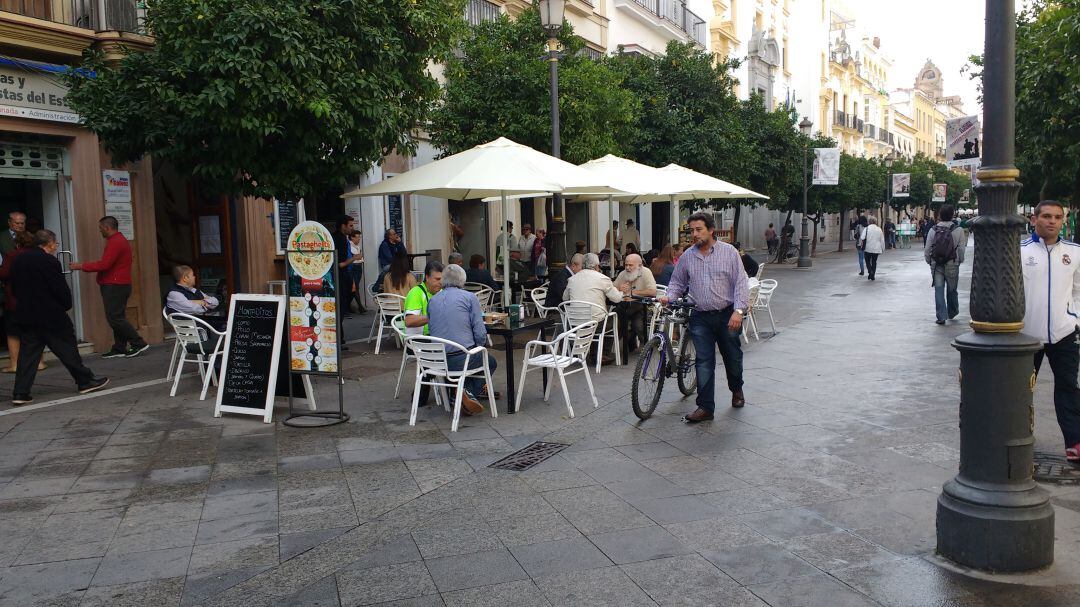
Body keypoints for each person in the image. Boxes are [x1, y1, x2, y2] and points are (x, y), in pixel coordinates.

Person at [661, 212, 749, 423]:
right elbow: (677, 283)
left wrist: (739, 311)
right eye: (691, 230)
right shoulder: (687, 256)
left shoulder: (729, 253)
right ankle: (705, 407)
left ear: (710, 229)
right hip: (700, 315)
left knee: (733, 357)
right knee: (703, 361)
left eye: (698, 229)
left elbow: (741, 283)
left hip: (727, 314)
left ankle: (736, 389)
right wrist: (669, 296)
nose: (694, 234)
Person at [10, 230, 109, 405]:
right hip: (50, 315)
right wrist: (65, 304)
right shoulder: (49, 261)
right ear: (48, 244)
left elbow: (15, 288)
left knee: (28, 355)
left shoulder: (19, 259)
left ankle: (20, 392)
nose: (56, 247)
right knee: (67, 348)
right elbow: (59, 288)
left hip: (27, 314)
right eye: (56, 244)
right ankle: (85, 381)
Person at [1021, 200, 1080, 462]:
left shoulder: (1074, 252)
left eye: (1057, 217)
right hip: (1026, 335)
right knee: (1021, 388)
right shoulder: (1019, 250)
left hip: (1064, 332)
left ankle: (1075, 441)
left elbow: (1078, 289)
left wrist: (1075, 318)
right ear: (1034, 220)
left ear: (1063, 221)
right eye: (1046, 216)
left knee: (1068, 386)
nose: (1052, 221)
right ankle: (1018, 434)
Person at [69, 216, 148, 358]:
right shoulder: (117, 240)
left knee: (115, 318)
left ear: (107, 228)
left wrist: (80, 266)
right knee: (118, 317)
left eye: (100, 228)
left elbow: (104, 264)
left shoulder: (116, 242)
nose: (100, 231)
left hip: (115, 285)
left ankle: (138, 342)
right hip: (118, 284)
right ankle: (119, 347)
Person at [427, 264, 497, 416]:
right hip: (460, 359)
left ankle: (458, 395)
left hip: (436, 361)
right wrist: (479, 346)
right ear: (462, 280)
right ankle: (467, 392)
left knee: (471, 355)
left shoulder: (433, 301)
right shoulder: (469, 297)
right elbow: (480, 333)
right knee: (489, 361)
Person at [0, 230, 46, 373]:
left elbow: (4, 274)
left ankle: (14, 364)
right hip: (37, 299)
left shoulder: (12, 255)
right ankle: (40, 362)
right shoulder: (40, 255)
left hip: (16, 299)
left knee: (13, 333)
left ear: (16, 243)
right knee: (36, 331)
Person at [564, 252, 622, 364]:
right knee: (614, 319)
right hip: (595, 323)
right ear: (596, 266)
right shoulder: (602, 278)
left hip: (575, 322)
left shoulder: (572, 279)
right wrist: (622, 291)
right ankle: (602, 354)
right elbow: (617, 299)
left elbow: (565, 299)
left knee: (598, 317)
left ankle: (593, 353)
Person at [923, 205, 967, 324]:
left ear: (940, 216)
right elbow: (962, 249)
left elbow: (927, 249)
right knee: (952, 289)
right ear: (952, 215)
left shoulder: (933, 230)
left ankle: (941, 317)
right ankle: (952, 312)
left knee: (939, 289)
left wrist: (929, 261)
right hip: (952, 263)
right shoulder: (959, 230)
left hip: (936, 264)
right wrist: (960, 260)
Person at [614, 253, 657, 359]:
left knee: (637, 324)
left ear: (639, 265)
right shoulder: (623, 274)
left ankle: (645, 345)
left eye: (630, 265)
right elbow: (612, 288)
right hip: (625, 306)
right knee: (617, 319)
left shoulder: (646, 272)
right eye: (626, 265)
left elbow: (652, 292)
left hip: (642, 306)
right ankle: (618, 345)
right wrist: (619, 288)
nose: (627, 268)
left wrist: (633, 293)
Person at [165, 265, 223, 331]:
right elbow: (193, 309)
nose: (194, 277)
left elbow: (215, 301)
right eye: (192, 275)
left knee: (225, 322)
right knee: (225, 326)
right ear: (185, 278)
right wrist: (206, 305)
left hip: (199, 322)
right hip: (191, 328)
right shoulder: (174, 294)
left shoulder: (193, 290)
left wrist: (201, 302)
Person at [334, 216, 362, 337]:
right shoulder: (339, 239)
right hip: (341, 276)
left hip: (346, 275)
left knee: (342, 307)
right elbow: (340, 264)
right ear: (343, 225)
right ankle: (339, 338)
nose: (352, 228)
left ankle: (340, 337)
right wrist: (354, 258)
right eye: (350, 225)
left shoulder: (342, 238)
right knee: (340, 308)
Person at [404, 261, 442, 338]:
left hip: (436, 337)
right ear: (427, 277)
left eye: (442, 279)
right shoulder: (416, 292)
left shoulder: (442, 291)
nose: (441, 282)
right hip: (418, 341)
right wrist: (434, 316)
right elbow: (409, 321)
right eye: (437, 279)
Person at [347, 230, 366, 313]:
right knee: (355, 287)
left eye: (359, 237)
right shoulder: (349, 246)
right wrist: (357, 257)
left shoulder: (357, 246)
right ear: (352, 237)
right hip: (353, 267)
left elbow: (359, 256)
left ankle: (348, 306)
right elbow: (353, 257)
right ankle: (360, 307)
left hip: (359, 267)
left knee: (355, 287)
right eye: (357, 237)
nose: (359, 239)